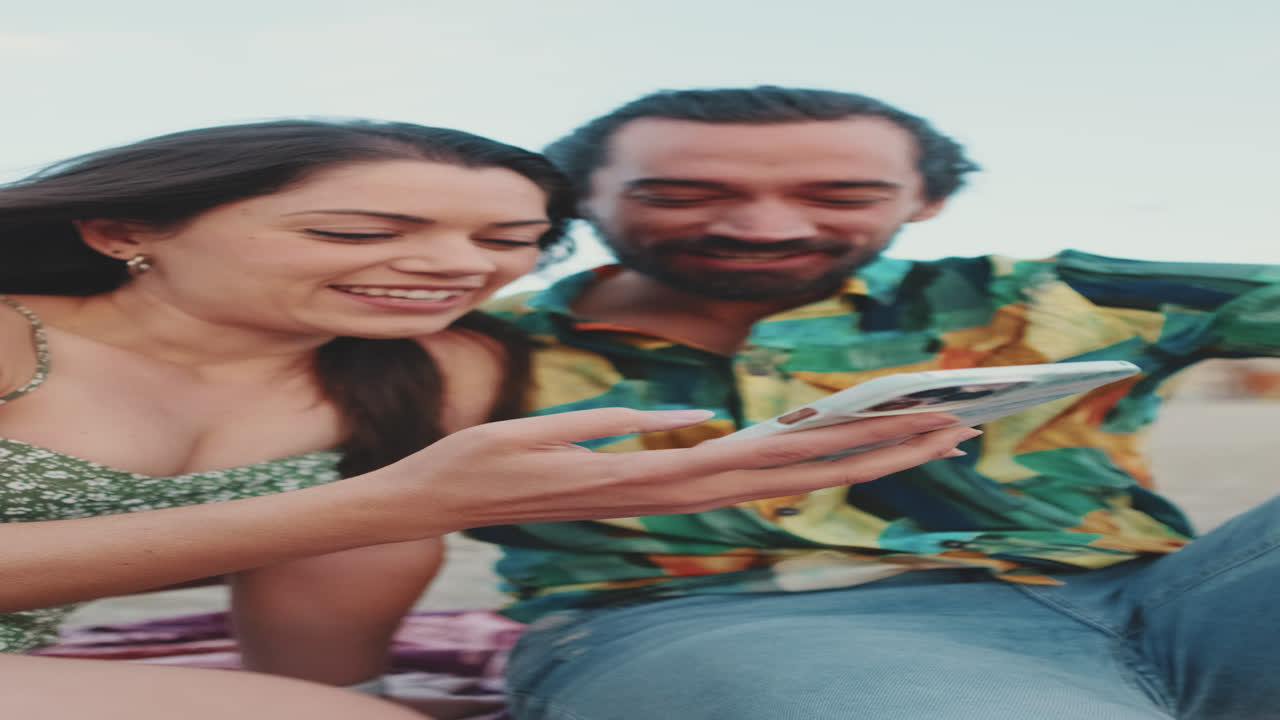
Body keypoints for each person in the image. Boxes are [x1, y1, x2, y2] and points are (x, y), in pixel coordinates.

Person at [0, 118, 979, 720]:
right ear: (125, 229)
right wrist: (377, 508)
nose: (456, 265)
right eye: (357, 232)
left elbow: (353, 548)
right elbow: (361, 520)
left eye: (509, 240)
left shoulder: (435, 366)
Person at [473, 86, 1280, 719]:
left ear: (926, 200)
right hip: (714, 621)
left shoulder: (1049, 295)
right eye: (681, 194)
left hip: (1169, 600)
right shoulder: (463, 343)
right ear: (576, 197)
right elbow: (358, 500)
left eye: (842, 195)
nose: (763, 225)